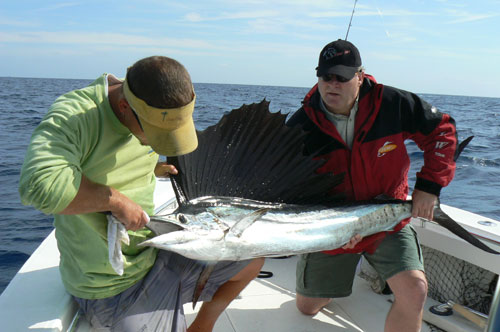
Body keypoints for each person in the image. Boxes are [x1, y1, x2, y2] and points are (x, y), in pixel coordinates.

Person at [19, 56, 264, 332]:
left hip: (157, 251)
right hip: (112, 287)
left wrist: (153, 168)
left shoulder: (150, 101)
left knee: (252, 257)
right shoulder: (76, 114)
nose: (161, 142)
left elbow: (117, 160)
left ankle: (202, 326)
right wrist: (116, 200)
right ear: (124, 107)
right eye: (156, 135)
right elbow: (39, 187)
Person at [286, 39, 458, 332]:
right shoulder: (301, 125)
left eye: (342, 77)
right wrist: (337, 231)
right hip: (334, 227)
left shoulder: (391, 103)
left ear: (360, 76)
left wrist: (429, 187)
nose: (333, 84)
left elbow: (442, 131)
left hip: (386, 221)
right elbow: (291, 189)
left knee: (415, 290)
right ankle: (329, 285)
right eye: (326, 76)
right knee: (307, 308)